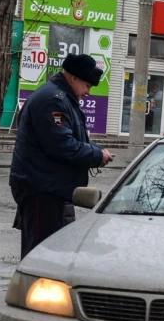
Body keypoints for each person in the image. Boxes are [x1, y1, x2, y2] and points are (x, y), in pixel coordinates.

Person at [10, 53, 115, 259]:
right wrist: (96, 155)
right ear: (73, 78)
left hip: (51, 189)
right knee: (42, 256)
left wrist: (97, 150)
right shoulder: (53, 101)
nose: (88, 92)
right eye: (87, 85)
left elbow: (72, 138)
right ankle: (32, 290)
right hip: (42, 190)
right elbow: (62, 146)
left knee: (53, 255)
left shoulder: (62, 98)